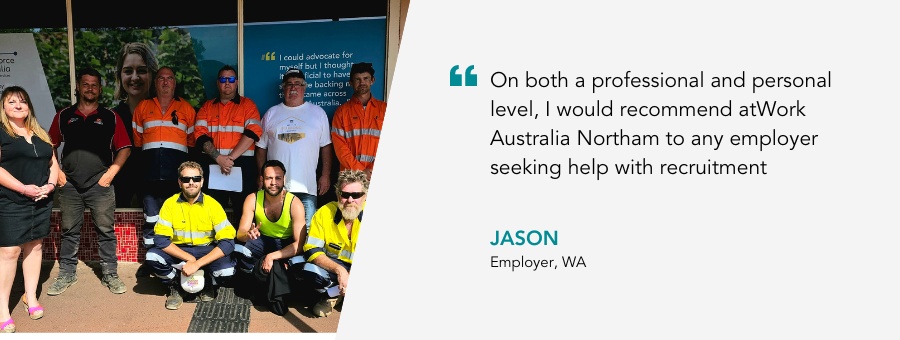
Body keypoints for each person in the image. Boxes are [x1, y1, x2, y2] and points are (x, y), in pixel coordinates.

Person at [47, 67, 131, 296]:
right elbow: (49, 146)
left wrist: (111, 174)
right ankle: (66, 274)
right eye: (86, 84)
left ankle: (110, 275)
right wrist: (58, 174)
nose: (90, 88)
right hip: (70, 184)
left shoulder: (110, 117)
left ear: (100, 88)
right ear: (78, 87)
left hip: (100, 184)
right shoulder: (64, 115)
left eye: (94, 84)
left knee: (105, 230)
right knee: (69, 231)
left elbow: (124, 149)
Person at [0, 86, 61, 332]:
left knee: (35, 248)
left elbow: (53, 163)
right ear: (3, 107)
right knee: (9, 252)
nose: (18, 105)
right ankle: (3, 309)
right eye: (12, 101)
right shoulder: (2, 133)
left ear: (29, 107)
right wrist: (23, 188)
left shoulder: (40, 133)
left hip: (41, 201)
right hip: (11, 201)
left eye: (22, 101)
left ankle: (31, 297)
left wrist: (50, 185)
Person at [145, 161, 236, 310]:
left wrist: (197, 264)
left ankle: (207, 282)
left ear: (202, 181)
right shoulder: (170, 204)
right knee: (152, 257)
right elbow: (160, 240)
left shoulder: (213, 205)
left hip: (206, 250)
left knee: (227, 272)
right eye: (186, 179)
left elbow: (227, 242)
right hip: (179, 251)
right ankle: (175, 287)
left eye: (196, 178)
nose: (191, 183)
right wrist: (190, 259)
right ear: (180, 182)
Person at [257, 68, 332, 227]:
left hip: (306, 188)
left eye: (297, 84)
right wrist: (261, 176)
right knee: (278, 232)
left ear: (304, 88)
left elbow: (326, 146)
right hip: (275, 187)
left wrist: (325, 175)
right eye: (289, 84)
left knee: (305, 232)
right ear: (283, 88)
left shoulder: (318, 113)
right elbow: (261, 147)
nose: (293, 88)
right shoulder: (271, 113)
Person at [132, 66, 197, 250]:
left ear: (175, 83)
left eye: (170, 78)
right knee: (151, 219)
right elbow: (138, 142)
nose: (166, 82)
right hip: (149, 175)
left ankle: (174, 259)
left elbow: (191, 144)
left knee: (176, 218)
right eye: (161, 78)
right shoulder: (143, 107)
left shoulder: (186, 108)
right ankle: (152, 259)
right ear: (155, 83)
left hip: (175, 177)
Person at [193, 65, 263, 225]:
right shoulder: (207, 107)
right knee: (213, 210)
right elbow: (200, 135)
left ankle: (242, 249)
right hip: (214, 164)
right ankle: (215, 247)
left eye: (231, 79)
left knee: (244, 210)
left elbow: (253, 132)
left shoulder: (248, 106)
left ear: (237, 82)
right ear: (217, 83)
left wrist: (229, 159)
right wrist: (219, 158)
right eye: (223, 79)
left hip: (242, 165)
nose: (227, 83)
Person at [296, 169, 367, 317]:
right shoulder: (324, 213)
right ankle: (337, 292)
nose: (350, 200)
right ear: (337, 194)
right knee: (307, 269)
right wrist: (340, 271)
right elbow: (311, 249)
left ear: (365, 196)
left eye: (356, 195)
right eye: (345, 194)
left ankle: (337, 292)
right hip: (334, 268)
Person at [233, 160, 306, 301]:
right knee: (239, 249)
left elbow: (299, 244)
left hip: (286, 244)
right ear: (262, 180)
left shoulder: (294, 203)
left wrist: (272, 256)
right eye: (269, 178)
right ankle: (252, 280)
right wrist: (248, 235)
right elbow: (240, 234)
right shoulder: (252, 198)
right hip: (261, 240)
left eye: (278, 178)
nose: (273, 182)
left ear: (284, 179)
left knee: (299, 263)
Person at [112, 42, 158, 208]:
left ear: (152, 74)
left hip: (156, 191)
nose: (134, 77)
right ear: (120, 76)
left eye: (142, 70)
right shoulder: (112, 117)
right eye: (128, 71)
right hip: (119, 193)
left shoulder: (164, 114)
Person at [331, 62, 386, 180]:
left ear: (372, 80)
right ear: (351, 83)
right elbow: (341, 149)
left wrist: (371, 171)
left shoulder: (385, 109)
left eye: (366, 78)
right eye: (357, 79)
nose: (362, 83)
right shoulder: (341, 112)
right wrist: (361, 171)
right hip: (350, 177)